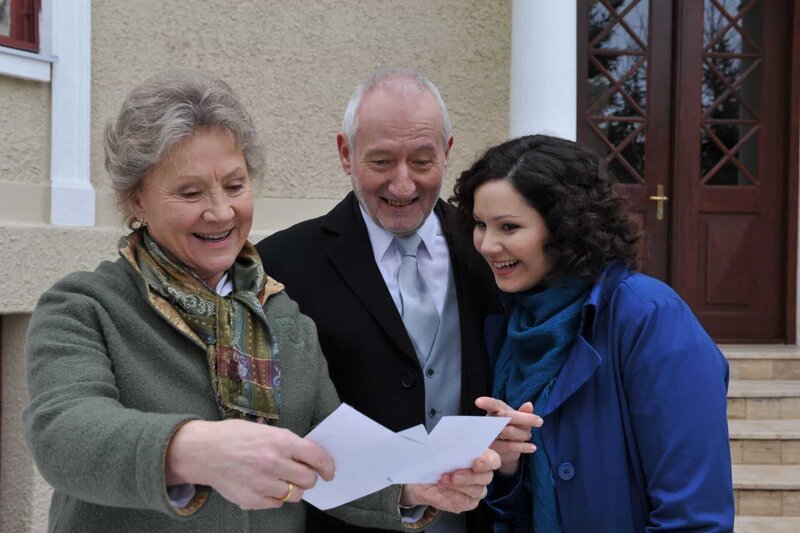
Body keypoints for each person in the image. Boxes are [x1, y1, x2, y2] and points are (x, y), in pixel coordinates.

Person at [22, 70, 502, 533]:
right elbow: (62, 433)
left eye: (234, 185)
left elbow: (327, 449)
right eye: (190, 192)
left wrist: (412, 483)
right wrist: (192, 449)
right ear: (135, 202)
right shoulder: (85, 306)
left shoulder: (280, 312)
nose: (221, 211)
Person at [256, 68, 513, 532]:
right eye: (380, 162)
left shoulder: (489, 254)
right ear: (345, 153)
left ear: (448, 153)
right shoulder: (279, 263)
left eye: (421, 162)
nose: (402, 186)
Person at [451, 134, 735, 532]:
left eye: (509, 227)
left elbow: (694, 516)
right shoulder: (511, 322)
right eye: (480, 224)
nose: (488, 244)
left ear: (565, 227)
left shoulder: (650, 316)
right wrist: (510, 466)